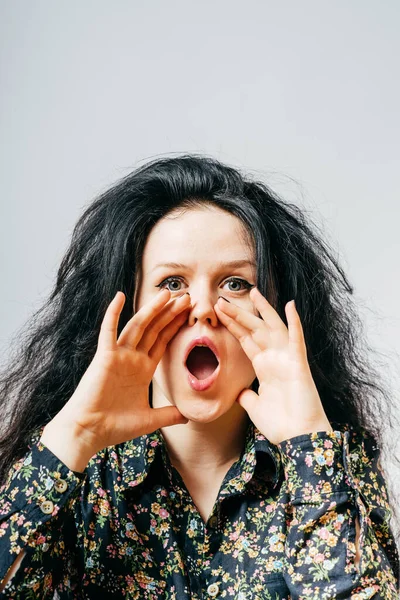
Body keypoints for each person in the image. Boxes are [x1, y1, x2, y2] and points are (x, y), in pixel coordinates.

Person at [0, 154, 398, 599]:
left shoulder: (332, 463)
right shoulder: (81, 473)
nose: (204, 308)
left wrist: (310, 446)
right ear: (130, 309)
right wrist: (74, 434)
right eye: (172, 283)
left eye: (235, 284)